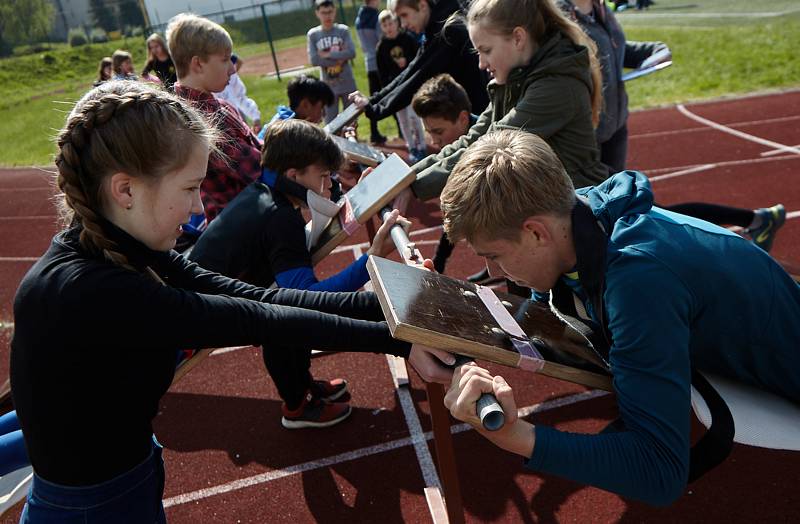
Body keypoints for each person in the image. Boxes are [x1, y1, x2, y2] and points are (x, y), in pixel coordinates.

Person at [10, 79, 451, 522]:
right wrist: (400, 341)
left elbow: (256, 297)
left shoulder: (116, 247)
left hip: (128, 477)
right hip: (95, 508)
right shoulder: (92, 290)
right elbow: (258, 318)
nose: (198, 207)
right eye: (188, 189)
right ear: (125, 190)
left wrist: (386, 302)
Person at [438, 129, 800, 507]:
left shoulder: (637, 281)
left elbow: (659, 472)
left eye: (494, 255)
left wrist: (514, 436)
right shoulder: (582, 219)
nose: (492, 267)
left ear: (535, 233)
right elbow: (549, 304)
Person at [190, 119, 407, 427]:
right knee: (285, 319)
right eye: (323, 176)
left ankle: (302, 385)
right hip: (203, 316)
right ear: (294, 176)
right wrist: (369, 260)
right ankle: (297, 404)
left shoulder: (265, 193)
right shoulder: (279, 217)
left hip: (210, 294)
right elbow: (309, 299)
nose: (330, 184)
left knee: (283, 311)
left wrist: (358, 196)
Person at [561, 0, 786, 252]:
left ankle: (752, 225)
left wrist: (654, 51)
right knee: (623, 216)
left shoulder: (599, 9)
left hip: (613, 131)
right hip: (578, 138)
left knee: (630, 215)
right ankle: (755, 221)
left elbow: (614, 50)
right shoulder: (554, 13)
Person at [349, 0, 490, 127]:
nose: (403, 24)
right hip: (470, 111)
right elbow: (412, 69)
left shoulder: (447, 31)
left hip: (479, 112)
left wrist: (376, 109)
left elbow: (420, 75)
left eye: (404, 15)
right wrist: (374, 101)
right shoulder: (436, 26)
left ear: (422, 5)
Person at [409, 73, 475, 274]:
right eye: (429, 132)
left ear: (463, 119)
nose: (433, 141)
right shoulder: (454, 141)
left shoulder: (488, 148)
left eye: (438, 132)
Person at [376, 9, 427, 162]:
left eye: (390, 23)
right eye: (385, 25)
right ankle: (411, 146)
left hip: (410, 85)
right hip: (395, 90)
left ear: (396, 22)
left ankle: (422, 146)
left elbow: (419, 57)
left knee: (414, 117)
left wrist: (407, 62)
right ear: (382, 28)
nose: (388, 27)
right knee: (403, 120)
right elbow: (382, 72)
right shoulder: (382, 47)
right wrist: (387, 91)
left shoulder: (407, 38)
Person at [308, 0, 358, 125]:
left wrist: (328, 55)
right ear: (317, 13)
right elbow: (314, 60)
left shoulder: (343, 31)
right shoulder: (313, 35)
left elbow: (351, 53)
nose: (327, 16)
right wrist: (339, 59)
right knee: (331, 123)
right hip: (328, 86)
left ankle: (352, 143)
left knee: (352, 121)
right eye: (323, 13)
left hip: (347, 83)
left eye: (330, 12)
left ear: (334, 11)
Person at [355, 0, 388, 144]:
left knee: (373, 98)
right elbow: (382, 39)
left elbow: (362, 46)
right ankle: (400, 131)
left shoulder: (359, 18)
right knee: (389, 95)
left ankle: (374, 132)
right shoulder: (376, 17)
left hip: (369, 62)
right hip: (381, 63)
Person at [216, 54, 262, 133]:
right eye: (225, 61)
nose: (233, 70)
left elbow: (240, 98)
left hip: (237, 121)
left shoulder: (232, 77)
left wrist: (255, 118)